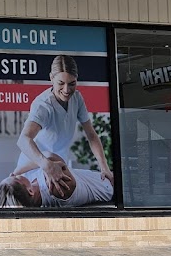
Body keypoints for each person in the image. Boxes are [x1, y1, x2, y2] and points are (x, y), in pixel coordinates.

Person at [16, 54, 113, 194]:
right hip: (36, 166)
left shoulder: (77, 98)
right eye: (61, 83)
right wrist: (45, 164)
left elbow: (91, 135)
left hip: (59, 165)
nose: (67, 90)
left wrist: (104, 167)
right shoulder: (43, 105)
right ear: (51, 78)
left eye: (72, 83)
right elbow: (23, 139)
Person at [0, 154, 113, 208]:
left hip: (102, 175)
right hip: (110, 185)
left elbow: (41, 159)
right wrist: (17, 172)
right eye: (16, 177)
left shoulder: (30, 183)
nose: (14, 174)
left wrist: (14, 176)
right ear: (30, 191)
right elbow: (50, 156)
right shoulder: (57, 187)